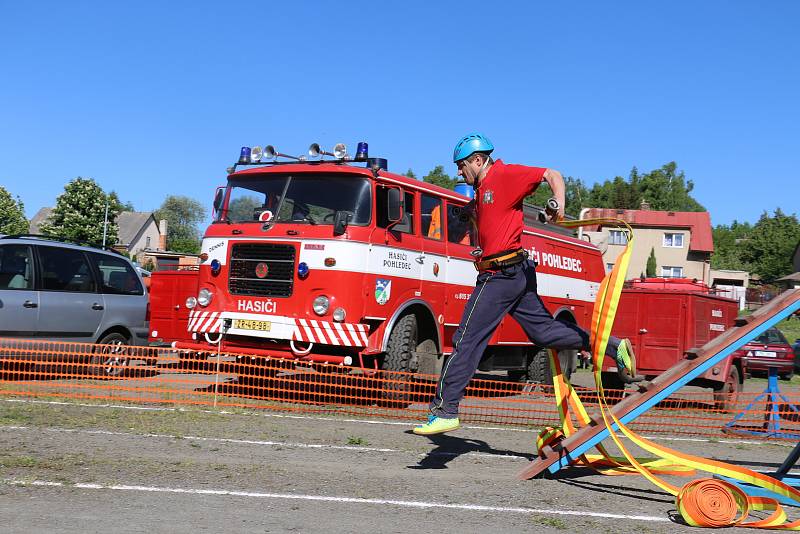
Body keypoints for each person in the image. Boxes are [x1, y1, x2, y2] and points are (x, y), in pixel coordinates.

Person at [413, 133, 635, 435]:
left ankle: (445, 410)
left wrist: (558, 201)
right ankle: (614, 346)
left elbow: (551, 174)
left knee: (467, 340)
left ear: (478, 160)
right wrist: (467, 214)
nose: (458, 172)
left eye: (462, 165)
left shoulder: (504, 175)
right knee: (544, 332)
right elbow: (489, 217)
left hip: (500, 275)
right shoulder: (481, 191)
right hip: (516, 273)